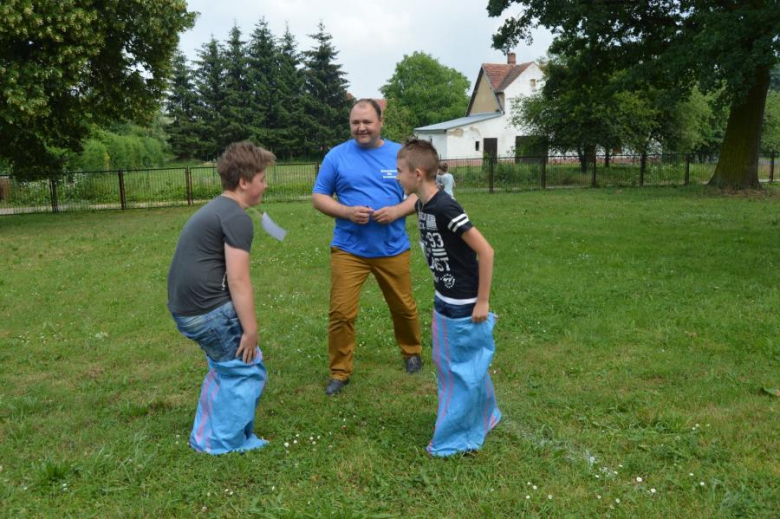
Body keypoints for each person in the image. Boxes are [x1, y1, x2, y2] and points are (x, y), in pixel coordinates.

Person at [167, 141, 275, 454]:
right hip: (207, 312)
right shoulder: (236, 218)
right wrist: (250, 330)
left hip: (187, 309)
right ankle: (221, 443)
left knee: (225, 367)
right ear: (244, 182)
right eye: (262, 179)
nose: (266, 185)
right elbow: (239, 280)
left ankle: (207, 434)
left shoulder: (218, 208)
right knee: (245, 369)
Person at [396, 138, 502, 456]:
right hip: (444, 296)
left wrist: (482, 301)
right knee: (460, 366)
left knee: (458, 372)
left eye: (399, 171)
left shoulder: (445, 207)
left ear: (417, 174)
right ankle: (485, 415)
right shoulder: (422, 204)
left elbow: (485, 251)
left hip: (463, 303)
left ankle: (455, 437)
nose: (396, 177)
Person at [312, 99, 423, 396]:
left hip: (392, 248)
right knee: (341, 313)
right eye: (355, 123)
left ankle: (412, 352)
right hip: (349, 249)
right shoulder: (336, 156)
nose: (361, 128)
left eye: (367, 122)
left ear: (380, 122)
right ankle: (339, 372)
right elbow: (319, 196)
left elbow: (422, 192)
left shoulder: (401, 154)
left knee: (403, 307)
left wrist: (397, 211)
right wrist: (346, 212)